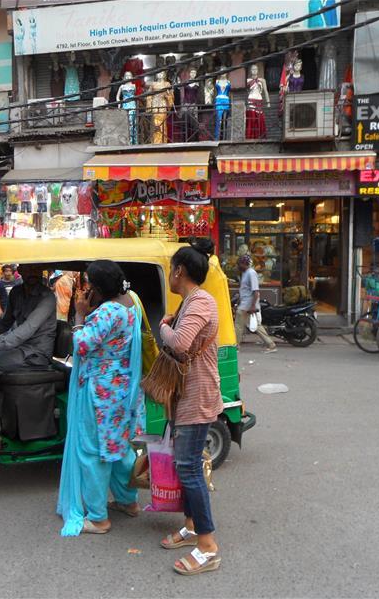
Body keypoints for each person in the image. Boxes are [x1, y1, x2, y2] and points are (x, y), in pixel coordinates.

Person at [57, 260, 144, 535]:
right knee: (118, 449)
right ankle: (127, 501)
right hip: (121, 388)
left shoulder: (108, 312)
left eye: (90, 286)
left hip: (100, 392)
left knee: (93, 453)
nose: (87, 290)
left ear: (97, 288)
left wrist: (80, 315)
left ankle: (98, 518)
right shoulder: (131, 302)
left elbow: (82, 344)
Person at [159, 238, 222, 575]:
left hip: (197, 394)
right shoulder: (192, 301)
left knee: (188, 468)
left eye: (171, 269)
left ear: (179, 271)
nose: (169, 274)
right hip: (188, 392)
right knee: (187, 464)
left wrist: (164, 328)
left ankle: (208, 546)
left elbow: (182, 343)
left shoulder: (199, 302)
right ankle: (192, 526)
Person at [0, 264, 56, 378]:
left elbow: (28, 328)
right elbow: (4, 323)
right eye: (29, 268)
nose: (32, 272)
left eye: (36, 268)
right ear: (20, 271)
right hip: (20, 347)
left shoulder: (47, 297)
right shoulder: (16, 292)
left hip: (37, 353)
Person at [234, 255, 277, 353]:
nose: (238, 266)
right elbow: (245, 290)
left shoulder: (251, 273)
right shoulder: (244, 273)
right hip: (245, 303)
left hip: (247, 305)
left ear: (245, 264)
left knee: (238, 326)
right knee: (256, 326)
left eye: (239, 264)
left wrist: (253, 306)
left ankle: (235, 346)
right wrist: (239, 300)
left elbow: (256, 291)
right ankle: (271, 344)